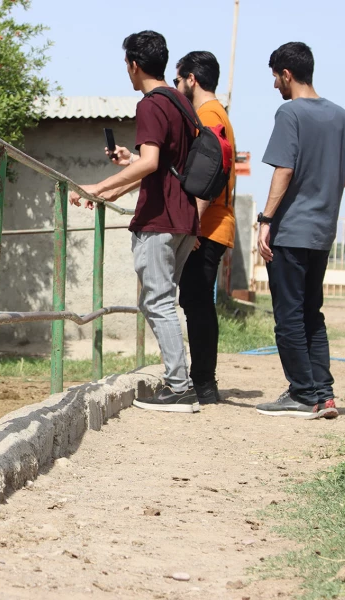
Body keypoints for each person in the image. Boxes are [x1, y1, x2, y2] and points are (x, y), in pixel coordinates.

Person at [68, 30, 200, 413]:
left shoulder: (149, 105)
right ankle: (180, 382)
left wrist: (98, 185)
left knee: (157, 302)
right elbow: (160, 168)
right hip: (183, 216)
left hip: (160, 220)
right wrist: (115, 185)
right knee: (160, 301)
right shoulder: (180, 101)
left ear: (134, 65)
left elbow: (152, 163)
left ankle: (180, 387)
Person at [255, 42, 345, 419]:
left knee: (288, 316)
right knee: (311, 314)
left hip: (291, 230)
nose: (274, 87)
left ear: (286, 74)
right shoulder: (340, 115)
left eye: (274, 78)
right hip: (322, 230)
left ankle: (302, 394)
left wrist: (266, 220)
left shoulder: (290, 112)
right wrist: (321, 192)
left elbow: (283, 169)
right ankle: (323, 394)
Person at [174, 51, 236, 404]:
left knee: (197, 304)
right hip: (211, 224)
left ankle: (204, 384)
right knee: (197, 303)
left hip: (207, 226)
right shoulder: (217, 113)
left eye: (179, 79)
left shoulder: (209, 114)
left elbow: (210, 172)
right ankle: (204, 383)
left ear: (192, 79)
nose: (177, 85)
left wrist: (192, 224)